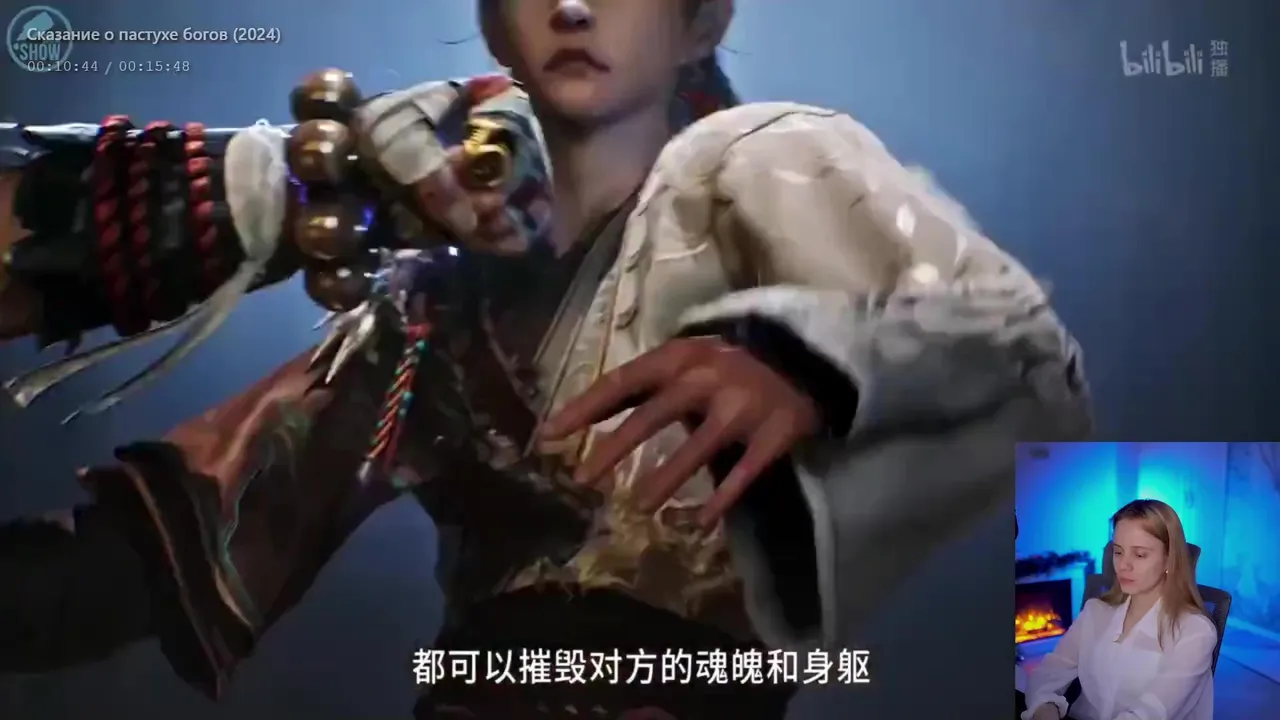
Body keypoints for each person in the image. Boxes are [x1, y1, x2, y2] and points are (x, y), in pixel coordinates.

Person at [0, 1, 1092, 717]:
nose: (573, 4)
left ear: (702, 17)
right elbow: (134, 566)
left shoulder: (768, 160)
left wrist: (807, 366)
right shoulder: (433, 312)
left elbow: (1024, 354)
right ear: (493, 22)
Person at [1022, 500, 1216, 720]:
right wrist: (1045, 706)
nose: (1123, 565)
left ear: (1169, 560)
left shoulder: (1195, 632)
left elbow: (1151, 713)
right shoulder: (1095, 612)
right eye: (1118, 552)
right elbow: (1050, 671)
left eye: (1140, 555)